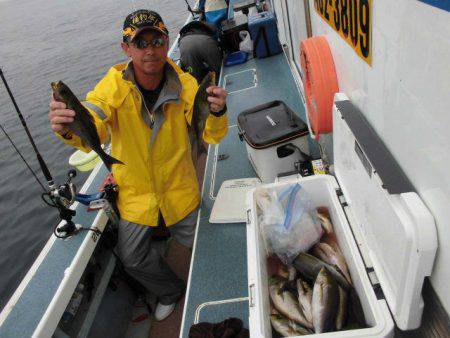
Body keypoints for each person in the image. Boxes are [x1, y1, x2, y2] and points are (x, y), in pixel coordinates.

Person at [48, 9, 228, 321]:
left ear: (166, 41)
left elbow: (211, 135)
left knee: (208, 245)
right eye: (140, 42)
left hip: (179, 189)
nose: (150, 50)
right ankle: (171, 290)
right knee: (132, 259)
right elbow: (94, 115)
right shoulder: (112, 86)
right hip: (136, 195)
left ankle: (222, 288)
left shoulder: (185, 85)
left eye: (157, 40)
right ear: (126, 48)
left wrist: (216, 111)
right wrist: (69, 125)